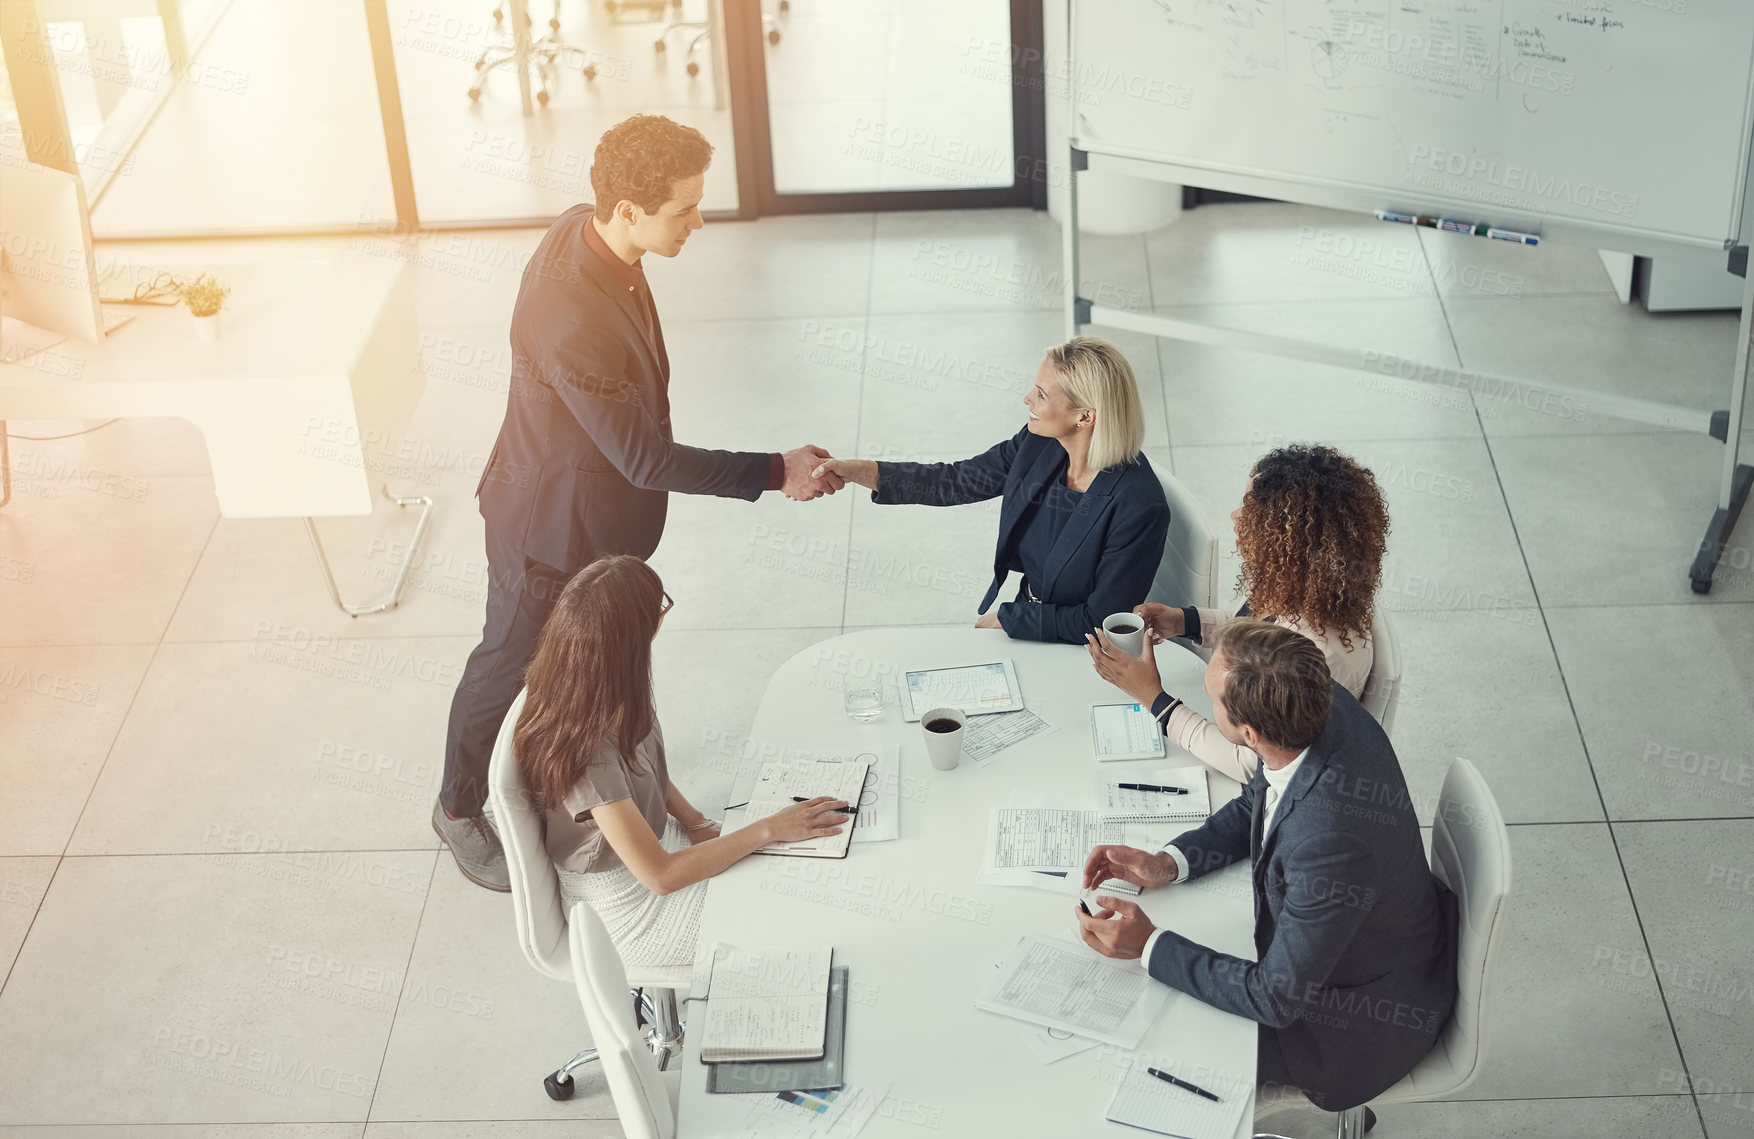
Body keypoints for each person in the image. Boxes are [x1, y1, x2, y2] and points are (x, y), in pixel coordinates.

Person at [436, 114, 846, 891]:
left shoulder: (591, 235)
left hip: (587, 507)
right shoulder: (568, 315)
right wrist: (774, 470)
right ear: (627, 210)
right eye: (683, 209)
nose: (697, 221)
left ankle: (597, 775)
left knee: (591, 665)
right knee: (507, 660)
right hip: (545, 529)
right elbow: (645, 457)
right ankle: (456, 807)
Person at [1076, 619, 1457, 1115]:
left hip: (1352, 1026)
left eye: (1212, 701)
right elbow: (1263, 793)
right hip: (1356, 945)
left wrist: (1147, 945)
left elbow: (1276, 998)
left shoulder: (1331, 843)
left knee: (1143, 1043)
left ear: (1249, 734)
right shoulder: (1319, 700)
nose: (1207, 706)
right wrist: (1170, 862)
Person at [515, 555, 850, 967]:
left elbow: (643, 768)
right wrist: (770, 828)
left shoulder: (597, 678)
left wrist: (696, 823)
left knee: (796, 870)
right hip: (627, 907)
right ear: (634, 634)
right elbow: (660, 877)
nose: (663, 614)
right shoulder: (589, 754)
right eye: (659, 607)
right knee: (789, 904)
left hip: (656, 845)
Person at [812, 337, 1170, 645]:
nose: (1027, 399)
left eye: (1041, 394)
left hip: (1082, 647)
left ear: (1085, 417)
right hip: (1035, 616)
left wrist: (1011, 619)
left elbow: (1101, 622)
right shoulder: (1039, 445)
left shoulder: (1139, 505)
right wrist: (858, 471)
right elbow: (958, 480)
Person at [1086, 443, 1389, 781]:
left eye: (1250, 511)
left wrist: (1154, 699)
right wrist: (1184, 621)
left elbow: (1250, 763)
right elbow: (1256, 631)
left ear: (1287, 539)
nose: (1235, 517)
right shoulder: (1308, 589)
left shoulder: (1313, 652)